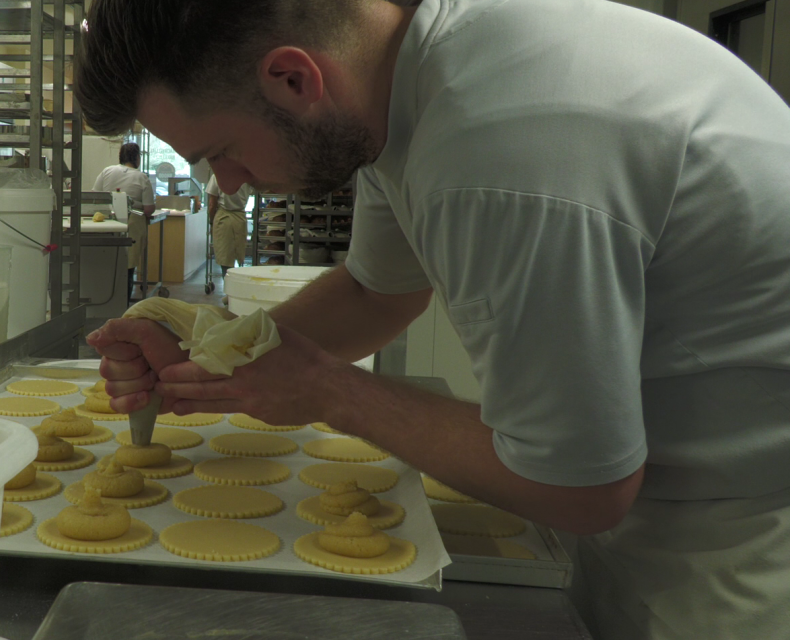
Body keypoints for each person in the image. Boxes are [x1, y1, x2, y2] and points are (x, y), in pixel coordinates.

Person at [74, 1, 790, 638]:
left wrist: (332, 392)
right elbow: (375, 293)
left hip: (742, 544)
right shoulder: (408, 80)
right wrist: (209, 358)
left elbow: (581, 486)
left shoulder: (501, 146)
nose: (225, 185)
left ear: (293, 78)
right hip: (660, 504)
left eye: (218, 154)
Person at [92, 142, 157, 301]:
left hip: (107, 221)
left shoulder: (107, 171)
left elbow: (94, 197)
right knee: (127, 266)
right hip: (132, 221)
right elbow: (149, 209)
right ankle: (123, 303)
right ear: (136, 157)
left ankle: (104, 301)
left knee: (107, 262)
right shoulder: (142, 177)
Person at [205, 174, 256, 278]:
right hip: (240, 218)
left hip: (224, 218)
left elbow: (212, 204)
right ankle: (237, 286)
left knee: (225, 257)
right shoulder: (246, 176)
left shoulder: (217, 175)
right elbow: (253, 191)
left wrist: (211, 222)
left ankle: (228, 287)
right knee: (239, 254)